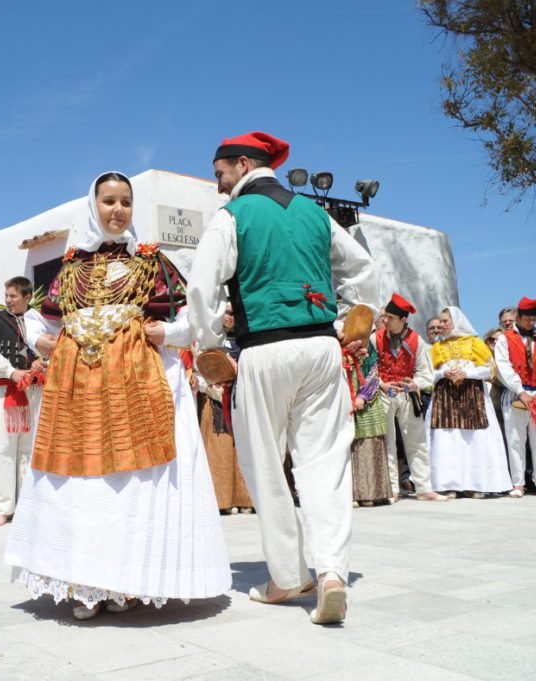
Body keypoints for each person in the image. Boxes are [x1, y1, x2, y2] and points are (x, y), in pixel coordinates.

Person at [5, 171, 231, 621]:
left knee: (130, 484)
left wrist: (167, 332)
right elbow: (39, 321)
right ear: (93, 206)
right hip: (77, 386)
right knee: (80, 482)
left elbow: (194, 314)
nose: (118, 210)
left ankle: (128, 582)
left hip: (137, 381)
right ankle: (84, 583)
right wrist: (41, 340)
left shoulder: (151, 262)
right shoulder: (71, 268)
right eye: (109, 201)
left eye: (126, 202)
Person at [188, 132, 377, 625]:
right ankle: (332, 573)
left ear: (243, 164)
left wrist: (208, 346)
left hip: (264, 348)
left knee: (266, 464)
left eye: (220, 174)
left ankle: (288, 576)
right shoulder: (316, 212)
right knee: (326, 463)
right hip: (322, 347)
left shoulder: (233, 215)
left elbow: (201, 286)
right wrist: (355, 322)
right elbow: (362, 269)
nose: (218, 184)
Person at [0, 277, 44, 526]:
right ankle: (2, 508)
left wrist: (43, 363)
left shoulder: (39, 320)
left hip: (34, 391)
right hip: (4, 391)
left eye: (13, 296)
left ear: (27, 297)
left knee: (30, 449)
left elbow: (52, 346)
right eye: (6, 295)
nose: (8, 300)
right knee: (2, 449)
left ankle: (28, 504)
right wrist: (11, 371)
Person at [426, 307, 512, 498]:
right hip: (445, 396)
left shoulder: (474, 342)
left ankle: (474, 484)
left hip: (472, 394)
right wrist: (443, 373)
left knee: (473, 439)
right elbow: (428, 373)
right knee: (447, 439)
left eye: (445, 321)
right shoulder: (437, 347)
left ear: (456, 321)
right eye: (440, 321)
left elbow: (488, 370)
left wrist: (466, 373)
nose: (441, 325)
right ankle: (449, 484)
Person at [375, 294, 448, 502]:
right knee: (388, 442)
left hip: (408, 395)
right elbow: (369, 368)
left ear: (403, 319)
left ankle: (424, 488)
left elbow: (426, 373)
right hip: (384, 394)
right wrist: (381, 384)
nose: (385, 320)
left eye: (390, 317)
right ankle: (392, 489)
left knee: (417, 442)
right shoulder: (376, 338)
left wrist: (416, 384)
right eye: (385, 316)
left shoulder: (417, 341)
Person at [494, 297, 536, 497]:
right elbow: (503, 367)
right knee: (515, 439)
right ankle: (518, 483)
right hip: (516, 393)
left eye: (534, 319)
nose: (531, 322)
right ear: (518, 317)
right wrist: (520, 391)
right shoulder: (505, 339)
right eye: (528, 319)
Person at [198, 302, 253, 514]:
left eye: (233, 313)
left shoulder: (245, 340)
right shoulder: (209, 341)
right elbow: (198, 368)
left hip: (241, 398)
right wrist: (214, 387)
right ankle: (221, 501)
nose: (230, 317)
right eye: (227, 313)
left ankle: (247, 499)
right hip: (215, 400)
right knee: (220, 451)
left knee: (244, 450)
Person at [346, 340, 392, 506]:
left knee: (369, 443)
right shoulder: (335, 343)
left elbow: (373, 372)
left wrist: (363, 396)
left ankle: (373, 493)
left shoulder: (367, 343)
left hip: (367, 400)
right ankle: (351, 494)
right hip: (343, 398)